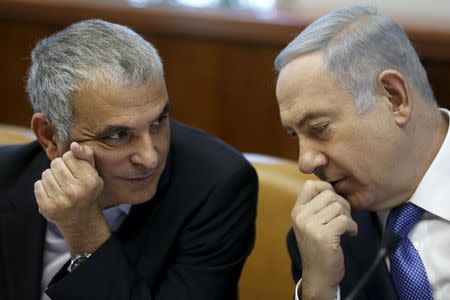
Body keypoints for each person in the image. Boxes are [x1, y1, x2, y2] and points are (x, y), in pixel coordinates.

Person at [0, 19, 258, 300]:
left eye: (159, 121)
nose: (149, 157)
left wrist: (85, 230)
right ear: (50, 136)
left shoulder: (216, 185)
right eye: (118, 135)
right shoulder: (6, 177)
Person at [274, 5, 450, 300]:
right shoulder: (322, 240)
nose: (306, 162)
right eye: (295, 136)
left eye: (319, 128)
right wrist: (318, 291)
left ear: (395, 98)